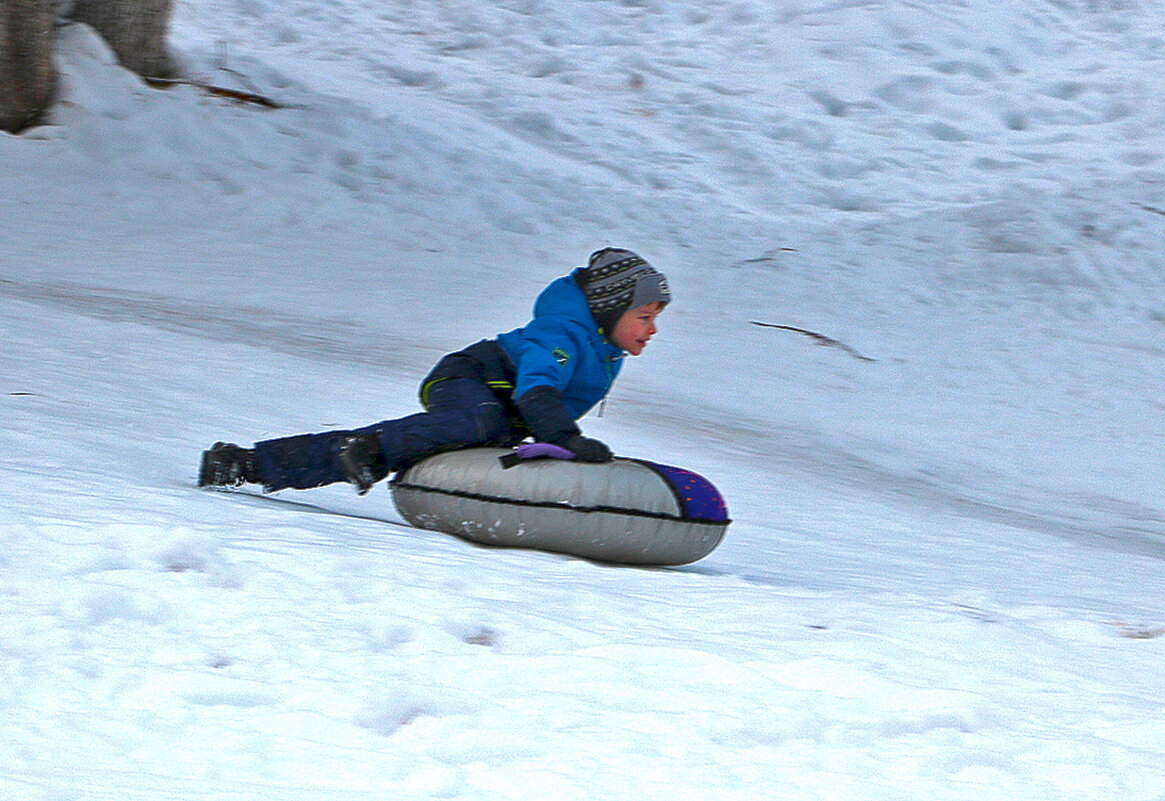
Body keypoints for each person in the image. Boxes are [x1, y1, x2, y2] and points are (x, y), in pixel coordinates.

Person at [198, 247, 670, 495]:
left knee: (485, 434)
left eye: (655, 319)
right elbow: (537, 392)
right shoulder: (562, 336)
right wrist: (567, 439)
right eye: (643, 317)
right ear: (609, 311)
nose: (651, 330)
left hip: (498, 408)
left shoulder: (603, 348)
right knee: (478, 424)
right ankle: (347, 451)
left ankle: (252, 464)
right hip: (469, 377)